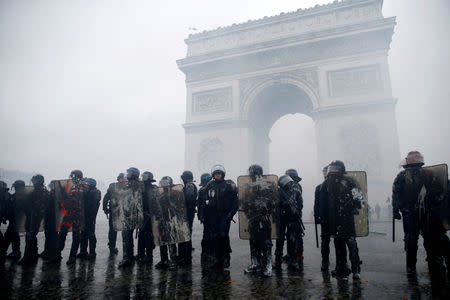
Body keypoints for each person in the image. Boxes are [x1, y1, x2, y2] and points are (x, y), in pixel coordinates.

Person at [392, 151, 447, 281]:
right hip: (413, 214)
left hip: (423, 214)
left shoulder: (426, 174)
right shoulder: (405, 176)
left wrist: (397, 209)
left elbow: (438, 193)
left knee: (424, 240)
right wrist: (396, 209)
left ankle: (428, 266)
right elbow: (397, 194)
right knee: (417, 241)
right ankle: (426, 267)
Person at [318, 161, 363, 280]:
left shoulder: (350, 182)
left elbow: (359, 200)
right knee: (339, 245)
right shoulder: (325, 185)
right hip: (334, 220)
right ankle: (342, 269)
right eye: (330, 169)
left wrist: (351, 203)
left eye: (335, 169)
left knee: (351, 243)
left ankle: (356, 269)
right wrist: (321, 217)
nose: (332, 172)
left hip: (346, 219)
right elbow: (322, 203)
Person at [243, 164, 275, 277]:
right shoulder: (248, 186)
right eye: (251, 174)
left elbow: (273, 201)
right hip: (252, 219)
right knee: (253, 242)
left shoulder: (268, 185)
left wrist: (266, 209)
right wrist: (248, 212)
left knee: (266, 243)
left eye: (254, 174)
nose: (252, 176)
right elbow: (244, 202)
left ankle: (268, 265)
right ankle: (255, 263)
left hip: (264, 219)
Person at [204, 165, 238, 268]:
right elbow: (205, 200)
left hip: (224, 214)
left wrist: (231, 213)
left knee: (223, 235)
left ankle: (226, 258)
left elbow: (235, 201)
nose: (217, 175)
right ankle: (217, 258)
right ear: (213, 175)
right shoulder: (210, 185)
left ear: (222, 174)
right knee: (214, 236)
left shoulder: (228, 185)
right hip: (213, 215)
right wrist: (205, 215)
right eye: (216, 174)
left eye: (219, 173)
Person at [274, 174, 303, 271]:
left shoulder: (295, 191)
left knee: (292, 240)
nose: (290, 183)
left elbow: (300, 203)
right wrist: (283, 208)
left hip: (292, 219)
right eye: (288, 181)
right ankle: (277, 260)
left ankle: (293, 260)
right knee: (280, 240)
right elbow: (276, 205)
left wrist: (297, 212)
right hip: (282, 219)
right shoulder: (278, 192)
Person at [57, 170, 86, 265]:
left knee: (76, 236)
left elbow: (79, 199)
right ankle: (57, 254)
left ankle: (72, 257)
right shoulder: (71, 186)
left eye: (73, 176)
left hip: (77, 215)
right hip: (69, 214)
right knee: (62, 233)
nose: (72, 178)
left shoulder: (83, 186)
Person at [18, 174, 49, 265]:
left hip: (34, 217)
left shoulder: (38, 192)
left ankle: (27, 257)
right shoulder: (43, 192)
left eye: (34, 181)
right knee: (32, 235)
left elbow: (39, 206)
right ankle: (33, 254)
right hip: (33, 217)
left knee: (30, 235)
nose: (33, 182)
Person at [118, 167, 145, 268]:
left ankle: (128, 258)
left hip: (134, 214)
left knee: (127, 236)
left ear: (134, 174)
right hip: (128, 214)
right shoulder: (128, 185)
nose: (127, 174)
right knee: (127, 237)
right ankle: (128, 257)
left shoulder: (139, 185)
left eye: (129, 172)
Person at [154, 176, 179, 271]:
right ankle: (164, 260)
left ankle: (173, 261)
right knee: (162, 240)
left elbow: (177, 206)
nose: (164, 184)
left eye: (165, 183)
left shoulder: (174, 193)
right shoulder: (160, 194)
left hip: (170, 219)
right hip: (161, 219)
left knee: (171, 241)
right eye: (162, 182)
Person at [103, 173, 126, 255]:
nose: (124, 180)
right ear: (119, 179)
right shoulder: (113, 188)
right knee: (113, 231)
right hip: (115, 212)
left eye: (125, 178)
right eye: (123, 178)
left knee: (126, 232)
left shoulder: (128, 187)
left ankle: (126, 249)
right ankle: (112, 247)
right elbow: (106, 198)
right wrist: (105, 208)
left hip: (125, 213)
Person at [78, 178, 101, 260]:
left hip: (90, 217)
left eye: (87, 184)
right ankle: (83, 251)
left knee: (91, 235)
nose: (85, 185)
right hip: (84, 216)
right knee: (83, 234)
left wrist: (91, 216)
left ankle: (92, 252)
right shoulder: (88, 191)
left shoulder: (95, 192)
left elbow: (94, 205)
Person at [178, 170, 197, 266]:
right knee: (185, 234)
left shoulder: (189, 185)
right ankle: (183, 256)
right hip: (187, 213)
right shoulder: (189, 185)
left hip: (187, 213)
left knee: (185, 235)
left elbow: (189, 199)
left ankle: (186, 258)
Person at [137, 171, 156, 263]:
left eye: (145, 176)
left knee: (148, 235)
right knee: (141, 235)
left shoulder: (154, 188)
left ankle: (149, 256)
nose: (143, 178)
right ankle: (140, 254)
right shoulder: (140, 188)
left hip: (149, 215)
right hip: (141, 214)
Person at [1, 180, 23, 260]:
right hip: (13, 219)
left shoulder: (18, 196)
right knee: (11, 235)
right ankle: (8, 251)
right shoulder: (13, 196)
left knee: (12, 235)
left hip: (15, 219)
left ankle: (14, 252)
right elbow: (8, 208)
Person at [314, 165, 331, 271]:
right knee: (325, 241)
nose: (324, 174)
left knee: (339, 242)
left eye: (326, 171)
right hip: (325, 219)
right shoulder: (319, 187)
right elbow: (317, 204)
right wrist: (317, 217)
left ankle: (341, 263)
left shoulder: (337, 185)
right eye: (323, 172)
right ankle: (325, 261)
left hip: (335, 218)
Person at [197, 173, 213, 263]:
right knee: (210, 235)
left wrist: (200, 216)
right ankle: (208, 254)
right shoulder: (203, 190)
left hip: (206, 216)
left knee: (206, 235)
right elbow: (200, 204)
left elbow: (199, 205)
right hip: (209, 216)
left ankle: (205, 254)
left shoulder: (202, 190)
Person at [0, 181, 11, 262]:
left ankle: (3, 250)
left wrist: (5, 216)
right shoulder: (6, 194)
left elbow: (6, 206)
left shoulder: (5, 195)